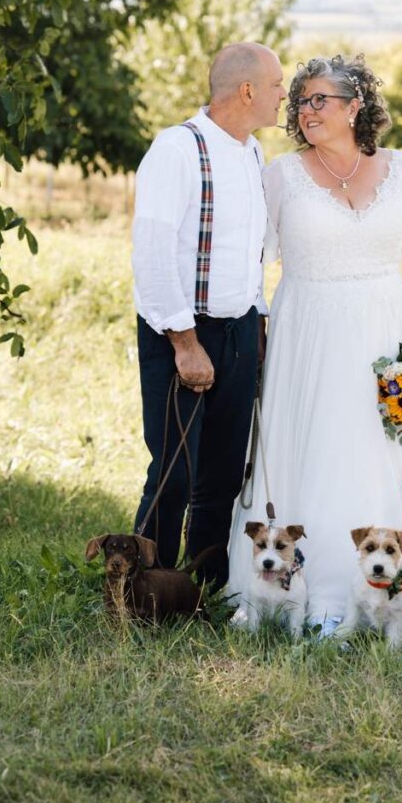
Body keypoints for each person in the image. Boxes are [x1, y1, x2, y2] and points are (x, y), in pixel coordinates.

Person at [228, 54, 402, 633]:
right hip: (307, 332)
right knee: (317, 446)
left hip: (388, 331)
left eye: (319, 100)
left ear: (356, 106)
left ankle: (400, 598)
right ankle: (306, 595)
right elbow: (249, 263)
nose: (305, 111)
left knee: (380, 450)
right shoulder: (280, 176)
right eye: (300, 101)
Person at [132, 42, 287, 586]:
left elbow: (249, 253)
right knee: (176, 472)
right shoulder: (177, 148)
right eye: (275, 85)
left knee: (222, 474)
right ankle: (142, 586)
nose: (282, 96)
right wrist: (183, 341)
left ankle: (201, 589)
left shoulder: (251, 153)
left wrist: (258, 324)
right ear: (247, 90)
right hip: (184, 331)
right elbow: (151, 251)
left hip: (241, 330)